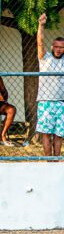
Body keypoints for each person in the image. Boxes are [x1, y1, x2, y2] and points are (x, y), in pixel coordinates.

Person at [36, 13, 64, 156]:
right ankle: (48, 161)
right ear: (52, 47)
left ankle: (57, 160)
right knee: (46, 134)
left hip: (61, 102)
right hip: (46, 101)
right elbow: (40, 43)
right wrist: (41, 25)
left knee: (59, 135)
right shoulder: (45, 57)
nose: (59, 49)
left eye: (62, 47)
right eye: (56, 46)